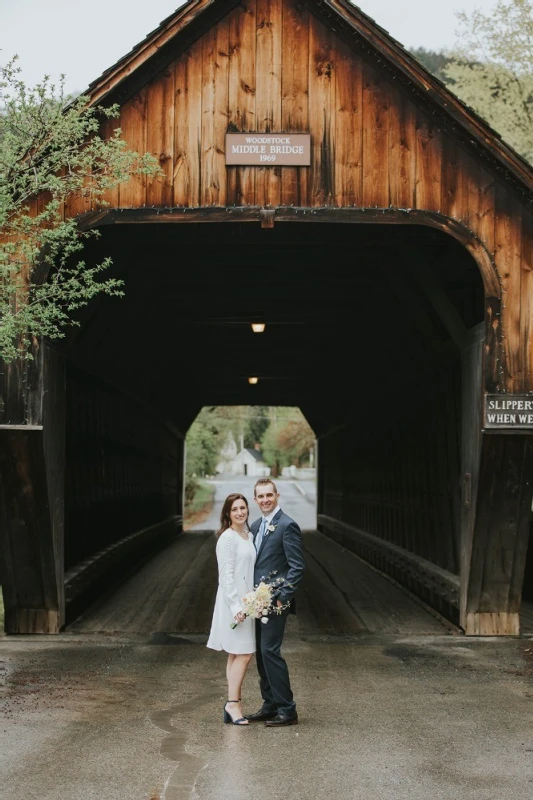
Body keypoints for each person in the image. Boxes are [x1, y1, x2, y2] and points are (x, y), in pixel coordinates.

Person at [244, 478, 305, 727]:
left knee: (270, 651)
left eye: (270, 495)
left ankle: (287, 709)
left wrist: (282, 597)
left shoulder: (287, 526)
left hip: (276, 602)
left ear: (277, 496)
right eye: (261, 496)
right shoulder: (257, 525)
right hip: (256, 603)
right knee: (260, 652)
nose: (266, 499)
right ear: (255, 499)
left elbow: (297, 566)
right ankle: (269, 704)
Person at [206, 493, 256, 725]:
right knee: (245, 654)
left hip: (248, 603)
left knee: (236, 653)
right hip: (233, 604)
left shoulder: (248, 535)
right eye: (235, 509)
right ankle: (233, 704)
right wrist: (236, 606)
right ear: (227, 513)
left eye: (243, 508)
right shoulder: (227, 538)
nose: (240, 512)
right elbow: (225, 577)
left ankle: (231, 704)